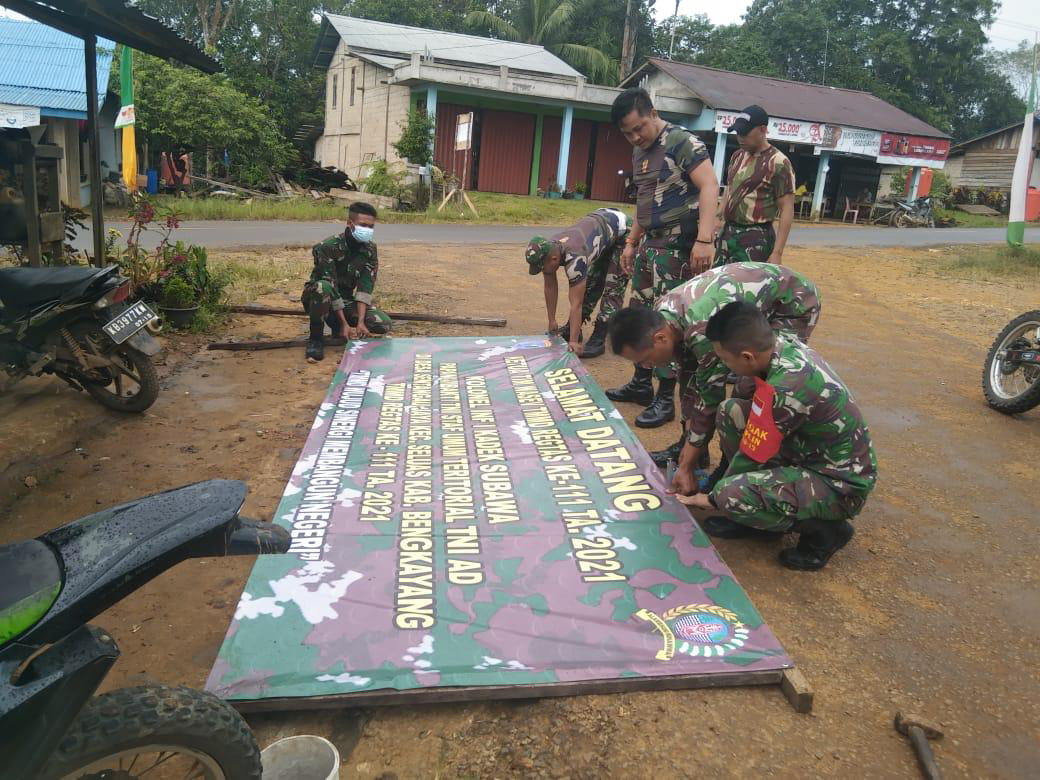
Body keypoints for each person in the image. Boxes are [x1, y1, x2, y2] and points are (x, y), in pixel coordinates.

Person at [674, 302, 877, 571]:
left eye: (724, 359)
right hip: (808, 452)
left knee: (730, 494)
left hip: (838, 483)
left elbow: (753, 452)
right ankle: (758, 520)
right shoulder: (777, 350)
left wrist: (712, 498)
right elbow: (755, 433)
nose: (724, 365)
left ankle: (826, 531)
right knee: (731, 412)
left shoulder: (787, 386)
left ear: (747, 357)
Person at [607, 262, 821, 477]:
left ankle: (732, 467)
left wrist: (689, 460)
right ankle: (696, 451)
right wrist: (690, 440)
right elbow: (689, 376)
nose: (646, 366)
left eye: (645, 359)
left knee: (750, 387)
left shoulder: (702, 331)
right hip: (747, 298)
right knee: (694, 381)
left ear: (660, 338)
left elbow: (710, 395)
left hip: (791, 302)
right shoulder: (664, 314)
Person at [606, 87, 719, 430]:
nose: (635, 137)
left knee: (666, 324)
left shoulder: (681, 142)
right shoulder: (640, 154)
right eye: (627, 133)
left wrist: (704, 239)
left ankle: (664, 398)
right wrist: (631, 242)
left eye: (638, 128)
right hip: (649, 247)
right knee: (642, 317)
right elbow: (645, 203)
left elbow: (710, 185)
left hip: (678, 248)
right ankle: (641, 383)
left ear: (653, 113)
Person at [525, 207, 630, 358]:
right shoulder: (549, 248)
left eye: (542, 267)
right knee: (591, 285)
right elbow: (550, 286)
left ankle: (600, 336)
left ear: (554, 259)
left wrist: (573, 342)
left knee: (613, 287)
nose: (542, 270)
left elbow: (576, 303)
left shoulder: (575, 258)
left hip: (622, 232)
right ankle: (573, 328)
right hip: (601, 229)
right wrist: (552, 320)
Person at [301, 202, 391, 363]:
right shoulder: (327, 247)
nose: (367, 230)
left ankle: (340, 327)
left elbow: (365, 287)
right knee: (323, 287)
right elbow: (331, 285)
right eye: (363, 225)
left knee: (383, 323)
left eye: (371, 227)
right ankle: (316, 338)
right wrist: (344, 323)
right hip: (320, 298)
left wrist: (361, 322)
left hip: (346, 300)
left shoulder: (370, 249)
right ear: (350, 224)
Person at [716, 105, 795, 267]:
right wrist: (718, 217)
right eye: (738, 133)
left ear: (762, 130)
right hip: (728, 235)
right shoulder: (737, 156)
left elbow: (787, 208)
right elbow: (730, 189)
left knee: (746, 289)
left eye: (745, 133)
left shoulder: (778, 162)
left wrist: (777, 252)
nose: (740, 138)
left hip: (755, 238)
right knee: (720, 288)